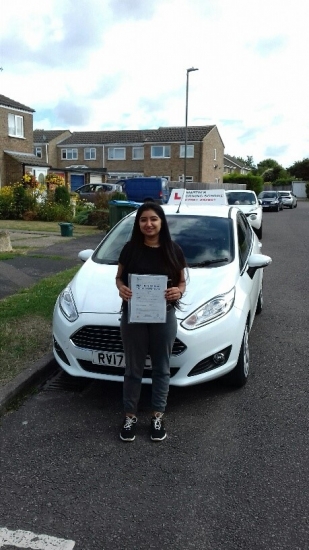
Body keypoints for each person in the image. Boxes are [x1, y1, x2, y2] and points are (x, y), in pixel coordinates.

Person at [115, 202, 187, 442]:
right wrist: (122, 289)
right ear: (138, 223)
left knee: (161, 368)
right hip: (133, 315)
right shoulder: (130, 249)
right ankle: (129, 415)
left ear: (161, 222)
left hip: (164, 315)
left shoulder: (173, 250)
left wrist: (178, 291)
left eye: (153, 219)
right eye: (143, 219)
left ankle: (157, 415)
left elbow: (181, 281)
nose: (148, 224)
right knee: (133, 369)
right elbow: (118, 278)